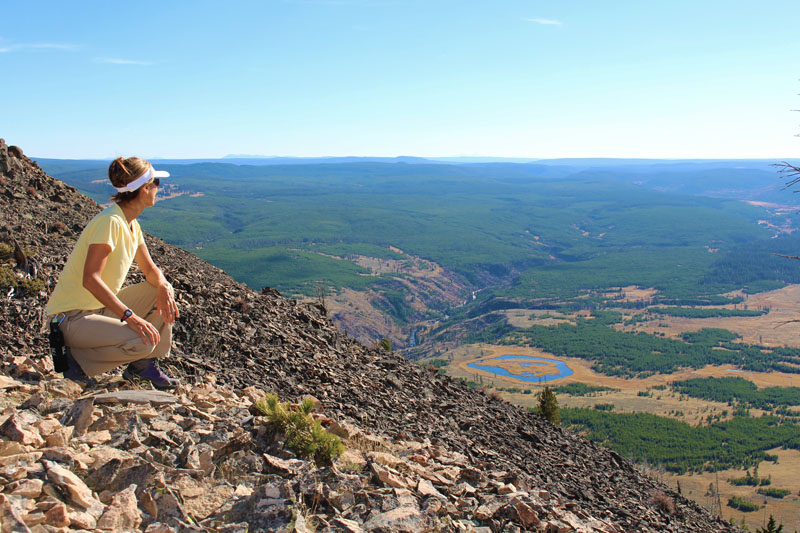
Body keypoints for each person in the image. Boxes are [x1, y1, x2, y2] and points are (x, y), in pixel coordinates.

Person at [46, 157, 179, 389]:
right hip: (72, 318)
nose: (159, 187)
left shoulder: (131, 224)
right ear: (144, 188)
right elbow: (91, 278)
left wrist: (164, 286)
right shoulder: (110, 222)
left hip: (97, 310)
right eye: (155, 182)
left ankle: (142, 368)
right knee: (144, 340)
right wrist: (130, 317)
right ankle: (75, 361)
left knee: (159, 291)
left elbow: (149, 269)